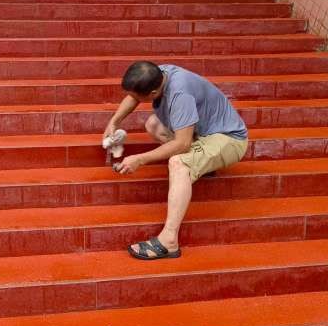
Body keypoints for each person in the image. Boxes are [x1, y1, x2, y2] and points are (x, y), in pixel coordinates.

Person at [103, 61, 248, 260]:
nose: (134, 100)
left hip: (228, 138)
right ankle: (204, 163)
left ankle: (169, 241)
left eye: (138, 98)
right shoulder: (159, 73)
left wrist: (140, 159)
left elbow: (182, 144)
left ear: (153, 92)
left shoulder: (180, 95)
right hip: (204, 131)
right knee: (154, 124)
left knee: (179, 163)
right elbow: (134, 95)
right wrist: (114, 121)